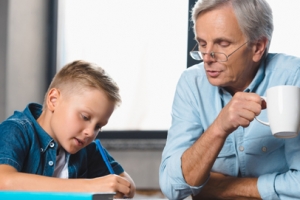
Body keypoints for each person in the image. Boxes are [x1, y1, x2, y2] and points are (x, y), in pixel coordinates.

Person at [159, 0, 300, 199]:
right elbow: (173, 187)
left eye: (222, 44)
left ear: (258, 47)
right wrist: (219, 128)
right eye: (202, 44)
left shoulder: (294, 77)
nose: (207, 57)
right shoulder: (192, 83)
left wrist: (220, 187)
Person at [0, 60, 135, 198]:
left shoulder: (88, 149)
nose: (90, 132)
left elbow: (128, 185)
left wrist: (119, 187)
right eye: (85, 117)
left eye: (98, 127)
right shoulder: (16, 130)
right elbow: (3, 180)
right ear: (53, 100)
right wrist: (89, 186)